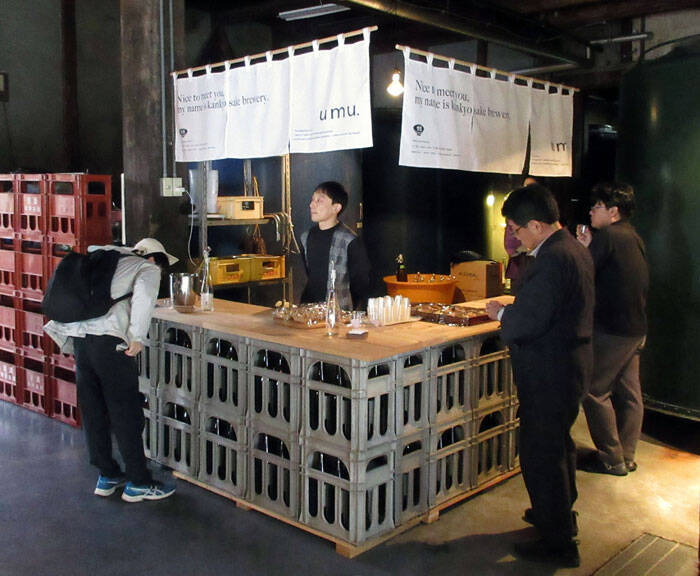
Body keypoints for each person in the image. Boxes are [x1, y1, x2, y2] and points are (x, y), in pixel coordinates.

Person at [485, 184, 594, 568]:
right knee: (559, 446)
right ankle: (560, 514)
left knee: (541, 454)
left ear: (536, 225)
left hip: (550, 371)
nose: (515, 236)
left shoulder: (552, 259)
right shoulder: (575, 249)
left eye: (516, 228)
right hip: (570, 366)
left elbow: (528, 322)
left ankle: (558, 542)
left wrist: (501, 314)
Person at [44, 238, 178, 502]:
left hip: (81, 341)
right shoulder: (147, 268)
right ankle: (139, 482)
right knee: (125, 410)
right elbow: (144, 300)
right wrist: (137, 337)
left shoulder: (105, 259)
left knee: (94, 410)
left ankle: (107, 475)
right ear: (155, 259)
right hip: (110, 343)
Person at [576, 182, 648, 475]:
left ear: (613, 211)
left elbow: (584, 273)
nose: (591, 211)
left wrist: (584, 248)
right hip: (636, 328)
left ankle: (611, 458)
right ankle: (627, 455)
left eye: (597, 206)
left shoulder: (607, 237)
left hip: (612, 329)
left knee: (593, 390)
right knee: (630, 392)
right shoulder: (633, 236)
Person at [300, 181, 370, 310]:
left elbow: (361, 282)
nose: (312, 205)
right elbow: (309, 273)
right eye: (312, 200)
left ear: (336, 208)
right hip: (309, 309)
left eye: (319, 201)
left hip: (339, 311)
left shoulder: (349, 240)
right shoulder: (306, 237)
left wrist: (348, 309)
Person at [504, 176, 537, 294]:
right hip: (520, 262)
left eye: (532, 187)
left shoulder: (541, 212)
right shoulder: (516, 211)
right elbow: (510, 243)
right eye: (525, 186)